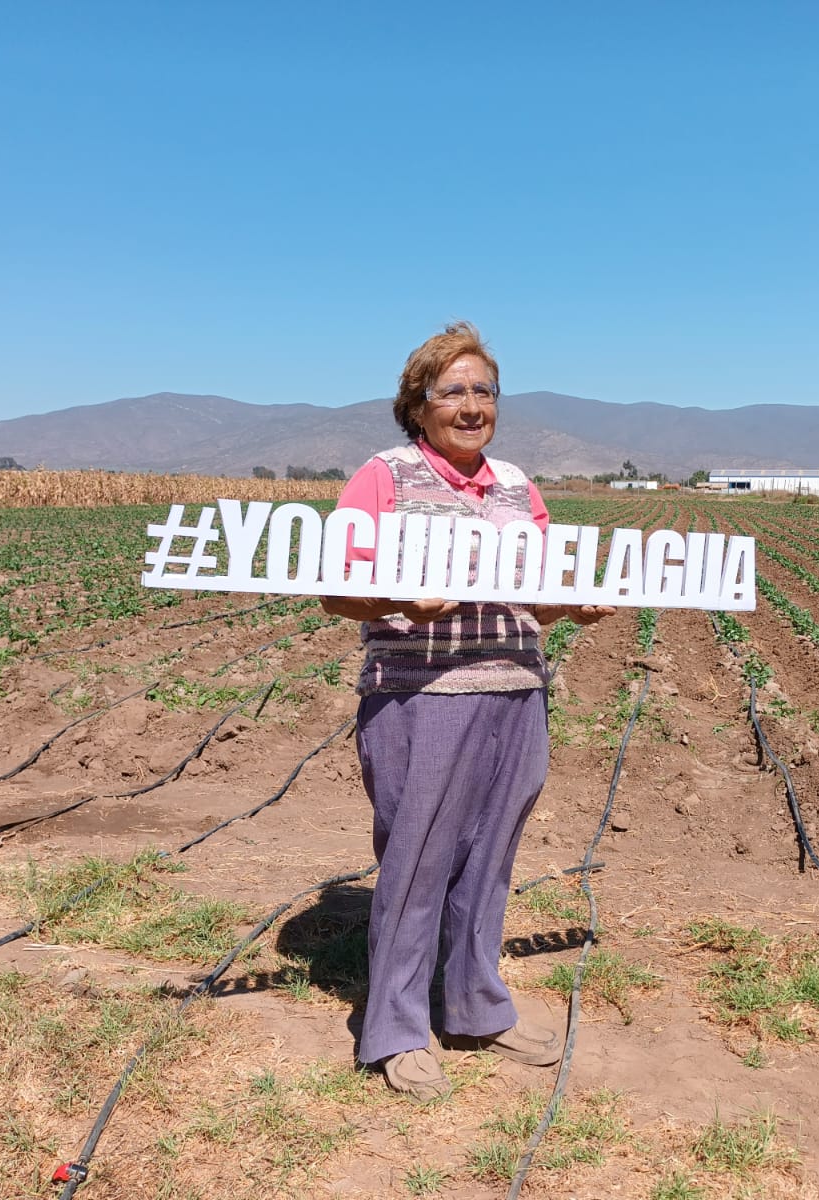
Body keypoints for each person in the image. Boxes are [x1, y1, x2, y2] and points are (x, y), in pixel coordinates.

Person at [321, 321, 612, 1100]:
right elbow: (334, 590)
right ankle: (396, 1029)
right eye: (454, 390)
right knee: (418, 862)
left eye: (484, 390)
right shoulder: (383, 477)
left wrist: (570, 608)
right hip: (422, 693)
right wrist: (397, 601)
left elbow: (535, 602)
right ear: (418, 405)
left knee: (489, 863)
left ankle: (477, 1006)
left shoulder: (516, 485)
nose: (473, 404)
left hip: (516, 691)